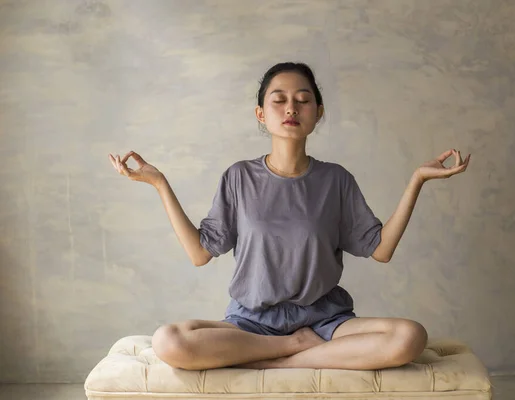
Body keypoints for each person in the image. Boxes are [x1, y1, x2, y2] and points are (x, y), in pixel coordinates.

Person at [108, 62, 470, 371]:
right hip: (251, 322)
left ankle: (285, 361)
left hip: (326, 320)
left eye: (303, 99)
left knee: (410, 337)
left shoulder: (336, 180)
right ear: (261, 115)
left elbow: (381, 249)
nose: (291, 108)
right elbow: (201, 253)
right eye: (279, 100)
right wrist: (159, 184)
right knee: (169, 342)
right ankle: (290, 348)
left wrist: (417, 180)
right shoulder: (239, 177)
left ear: (318, 112)